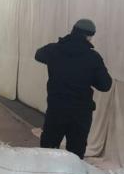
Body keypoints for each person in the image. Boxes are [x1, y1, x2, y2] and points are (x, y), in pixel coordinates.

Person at [35, 18, 112, 159]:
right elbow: (105, 85)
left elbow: (38, 55)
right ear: (89, 36)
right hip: (80, 113)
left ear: (73, 31)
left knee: (47, 151)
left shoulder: (53, 50)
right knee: (75, 154)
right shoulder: (93, 58)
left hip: (56, 109)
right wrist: (89, 76)